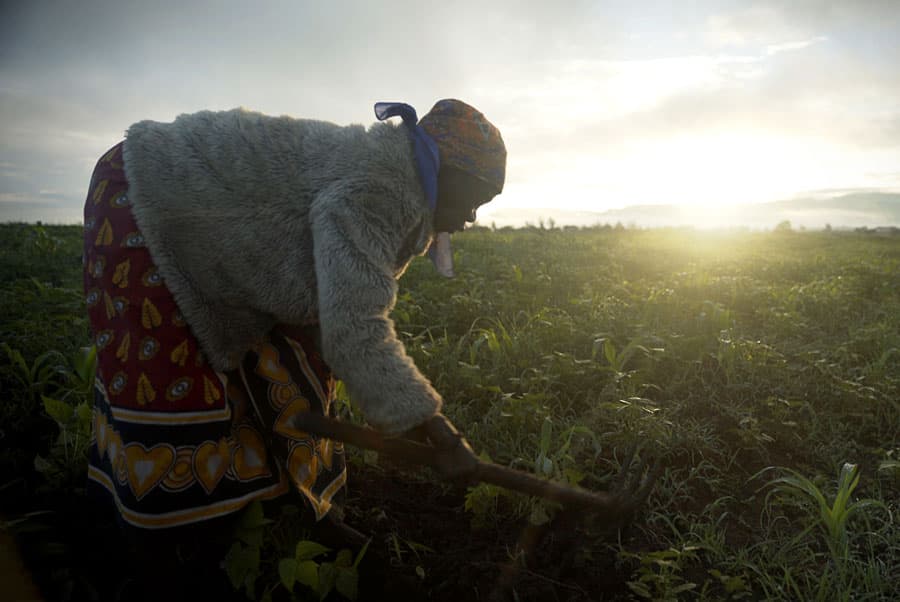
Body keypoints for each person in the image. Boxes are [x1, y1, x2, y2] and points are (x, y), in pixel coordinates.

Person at [82, 99, 506, 546]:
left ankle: (291, 506)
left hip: (203, 218)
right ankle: (172, 546)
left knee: (294, 363)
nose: (470, 218)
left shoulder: (397, 180)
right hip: (141, 193)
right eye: (474, 199)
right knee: (173, 381)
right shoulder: (380, 188)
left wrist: (416, 424)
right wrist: (438, 430)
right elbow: (355, 331)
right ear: (445, 170)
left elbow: (334, 311)